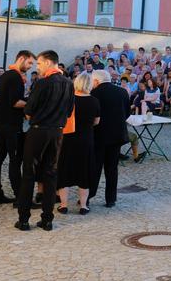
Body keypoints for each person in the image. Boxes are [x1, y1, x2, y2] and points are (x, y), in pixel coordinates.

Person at [16, 50, 75, 232]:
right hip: (57, 133)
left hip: (38, 131)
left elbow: (29, 109)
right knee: (51, 174)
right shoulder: (69, 83)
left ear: (49, 63)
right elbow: (69, 110)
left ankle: (24, 219)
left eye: (39, 64)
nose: (38, 67)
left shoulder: (42, 83)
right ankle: (47, 220)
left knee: (29, 174)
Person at [0, 50, 35, 205]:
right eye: (29, 63)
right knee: (15, 160)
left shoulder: (5, 75)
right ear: (21, 58)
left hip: (0, 122)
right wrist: (32, 104)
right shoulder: (15, 77)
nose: (30, 67)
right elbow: (15, 102)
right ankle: (21, 198)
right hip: (11, 125)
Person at [55, 73, 99, 215]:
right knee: (84, 171)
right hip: (86, 139)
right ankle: (84, 206)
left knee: (65, 170)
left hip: (68, 138)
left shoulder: (68, 100)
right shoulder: (94, 101)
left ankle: (63, 205)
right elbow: (96, 122)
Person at [88, 69, 130, 208]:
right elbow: (127, 113)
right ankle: (110, 199)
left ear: (96, 81)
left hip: (98, 135)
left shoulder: (93, 93)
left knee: (95, 167)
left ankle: (88, 196)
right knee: (112, 168)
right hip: (116, 136)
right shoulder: (122, 92)